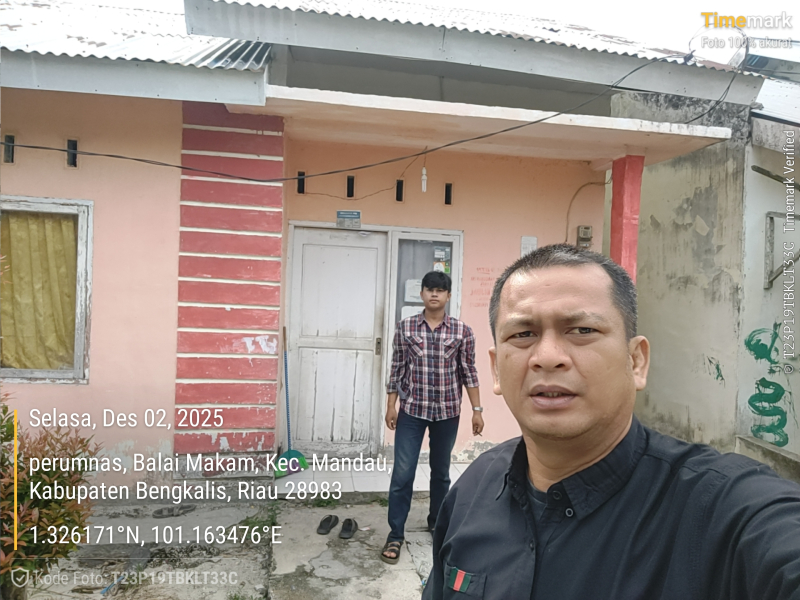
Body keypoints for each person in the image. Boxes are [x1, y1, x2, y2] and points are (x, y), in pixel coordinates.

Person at [423, 244, 800, 599]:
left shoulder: (723, 512)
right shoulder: (473, 490)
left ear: (636, 361)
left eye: (582, 330)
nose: (547, 357)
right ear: (495, 370)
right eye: (523, 334)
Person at [381, 271, 484, 565]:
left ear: (448, 295)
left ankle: (437, 524)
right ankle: (395, 534)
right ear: (422, 294)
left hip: (447, 412)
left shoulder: (462, 331)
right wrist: (391, 406)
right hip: (412, 411)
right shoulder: (406, 327)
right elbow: (397, 368)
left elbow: (469, 372)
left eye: (440, 290)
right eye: (430, 289)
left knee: (441, 472)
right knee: (403, 474)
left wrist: (477, 410)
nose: (434, 294)